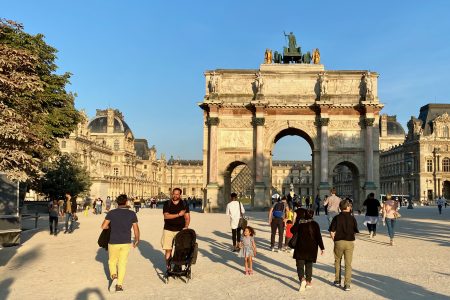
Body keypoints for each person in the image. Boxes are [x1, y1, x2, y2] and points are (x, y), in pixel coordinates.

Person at [101, 194, 140, 293]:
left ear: (117, 202)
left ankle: (114, 276)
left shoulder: (111, 213)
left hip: (113, 241)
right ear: (126, 202)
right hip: (126, 241)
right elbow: (135, 228)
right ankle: (119, 285)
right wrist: (137, 239)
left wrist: (112, 227)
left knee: (112, 261)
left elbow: (103, 226)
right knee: (122, 263)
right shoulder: (132, 214)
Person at [329, 199, 359, 291]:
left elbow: (332, 231)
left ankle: (337, 280)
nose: (350, 207)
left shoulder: (336, 218)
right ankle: (347, 284)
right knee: (348, 264)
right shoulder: (352, 218)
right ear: (347, 207)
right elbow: (355, 232)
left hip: (339, 241)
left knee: (337, 261)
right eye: (349, 206)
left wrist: (335, 240)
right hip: (349, 242)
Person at [292, 208, 325, 292]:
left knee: (299, 265)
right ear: (313, 215)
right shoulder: (315, 224)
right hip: (311, 248)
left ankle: (302, 279)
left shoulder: (300, 223)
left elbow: (292, 230)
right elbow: (319, 237)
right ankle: (308, 281)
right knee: (309, 265)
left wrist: (297, 220)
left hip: (300, 248)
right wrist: (322, 248)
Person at [162, 188, 190, 270]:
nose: (175, 195)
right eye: (174, 194)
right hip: (168, 229)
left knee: (180, 249)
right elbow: (166, 216)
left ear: (180, 195)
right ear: (172, 194)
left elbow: (187, 217)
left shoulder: (184, 204)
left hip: (180, 230)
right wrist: (178, 214)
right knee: (168, 250)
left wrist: (186, 226)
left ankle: (178, 265)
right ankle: (168, 267)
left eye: (177, 194)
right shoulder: (167, 203)